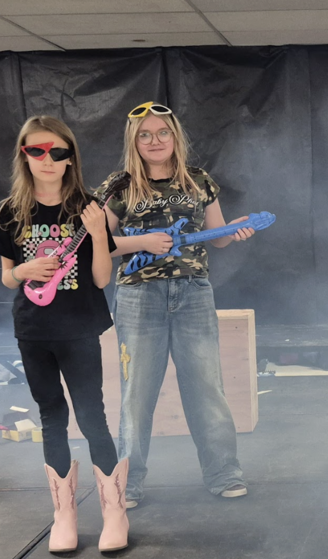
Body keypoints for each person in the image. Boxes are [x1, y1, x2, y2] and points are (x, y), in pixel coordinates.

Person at [0, 115, 128, 553]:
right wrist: (23, 270)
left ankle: (113, 511)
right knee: (52, 417)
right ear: (23, 155)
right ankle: (63, 515)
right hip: (34, 328)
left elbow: (102, 279)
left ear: (70, 158)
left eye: (58, 152)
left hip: (80, 326)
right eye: (36, 151)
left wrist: (100, 232)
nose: (47, 159)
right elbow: (9, 279)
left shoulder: (88, 206)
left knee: (92, 416)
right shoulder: (9, 212)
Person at [102, 101, 256, 507]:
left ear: (175, 137)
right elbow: (97, 245)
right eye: (145, 134)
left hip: (192, 291)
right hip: (138, 295)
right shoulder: (119, 186)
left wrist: (234, 231)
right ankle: (128, 482)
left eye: (162, 133)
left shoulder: (198, 181)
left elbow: (216, 236)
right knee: (137, 392)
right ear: (134, 140)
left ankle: (224, 472)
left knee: (207, 386)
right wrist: (142, 243)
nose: (155, 141)